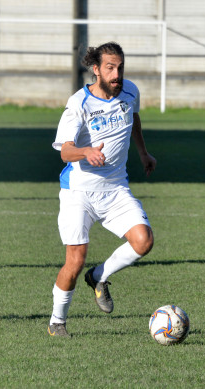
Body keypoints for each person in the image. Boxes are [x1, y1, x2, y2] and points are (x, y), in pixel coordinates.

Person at [48, 42, 156, 338]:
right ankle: (57, 321)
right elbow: (65, 152)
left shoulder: (130, 91)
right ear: (96, 69)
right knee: (75, 258)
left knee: (143, 241)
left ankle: (98, 277)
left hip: (116, 188)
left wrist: (143, 153)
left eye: (120, 67)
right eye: (110, 67)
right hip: (79, 192)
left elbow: (133, 118)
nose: (116, 73)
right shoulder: (79, 103)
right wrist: (85, 152)